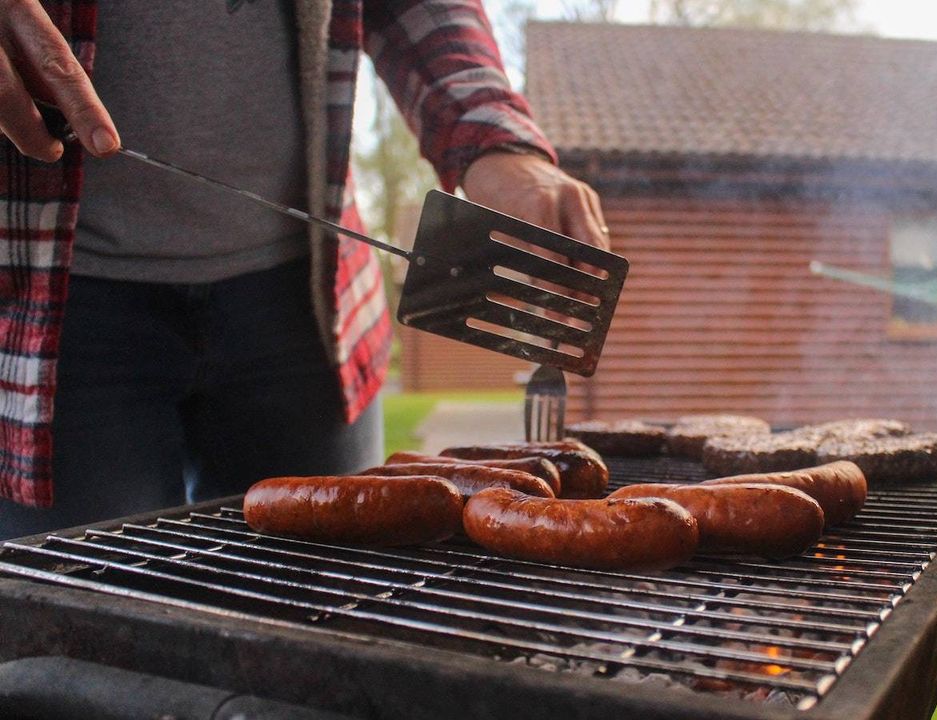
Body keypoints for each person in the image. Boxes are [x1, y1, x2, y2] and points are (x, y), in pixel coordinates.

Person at [0, 0, 608, 539]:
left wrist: (494, 141)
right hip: (46, 304)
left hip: (309, 298)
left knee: (330, 609)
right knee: (87, 628)